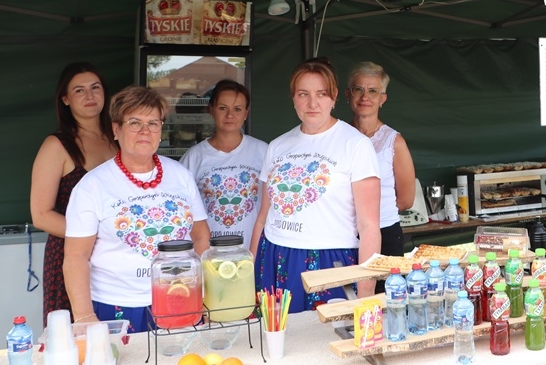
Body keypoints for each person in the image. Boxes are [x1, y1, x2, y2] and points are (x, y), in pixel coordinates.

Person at [63, 86, 211, 332]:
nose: (145, 131)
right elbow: (76, 257)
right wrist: (84, 316)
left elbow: (201, 237)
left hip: (180, 298)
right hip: (118, 305)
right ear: (116, 129)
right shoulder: (92, 185)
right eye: (135, 123)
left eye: (153, 123)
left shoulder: (181, 176)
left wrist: (205, 295)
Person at [250, 58, 381, 313]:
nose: (312, 103)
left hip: (330, 261)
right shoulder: (277, 146)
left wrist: (365, 291)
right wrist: (251, 272)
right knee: (277, 333)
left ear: (334, 96)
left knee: (326, 334)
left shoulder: (356, 145)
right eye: (303, 94)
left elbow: (369, 227)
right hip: (275, 255)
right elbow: (262, 218)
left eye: (321, 94)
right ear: (293, 98)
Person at [30, 61, 118, 324]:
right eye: (79, 90)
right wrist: (94, 237)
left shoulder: (119, 139)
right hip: (71, 256)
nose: (89, 95)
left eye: (95, 87)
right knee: (75, 334)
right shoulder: (56, 145)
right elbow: (41, 215)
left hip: (116, 255)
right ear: (66, 99)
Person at [180, 79, 267, 244]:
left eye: (237, 109)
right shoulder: (194, 157)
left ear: (246, 113)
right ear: (211, 109)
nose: (230, 115)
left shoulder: (263, 152)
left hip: (252, 249)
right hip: (208, 250)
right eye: (222, 108)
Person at [345, 61, 416, 260]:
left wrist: (372, 215)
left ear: (382, 98)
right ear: (348, 95)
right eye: (358, 89)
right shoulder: (339, 137)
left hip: (385, 233)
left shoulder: (394, 142)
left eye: (373, 91)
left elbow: (406, 200)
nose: (365, 97)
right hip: (344, 233)